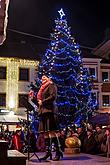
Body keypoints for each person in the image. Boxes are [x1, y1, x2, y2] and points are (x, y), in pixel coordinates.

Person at [37, 75, 63, 161]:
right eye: (42, 77)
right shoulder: (42, 89)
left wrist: (43, 102)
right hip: (43, 112)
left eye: (45, 77)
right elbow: (40, 102)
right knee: (45, 133)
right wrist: (33, 98)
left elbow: (53, 97)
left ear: (49, 78)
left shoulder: (51, 85)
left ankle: (58, 152)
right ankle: (48, 152)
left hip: (50, 111)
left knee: (52, 132)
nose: (42, 78)